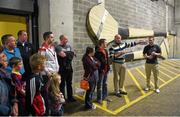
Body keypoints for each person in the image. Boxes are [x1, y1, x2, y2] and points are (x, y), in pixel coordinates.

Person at [55, 34, 76, 102]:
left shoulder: (69, 46)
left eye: (67, 39)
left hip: (69, 68)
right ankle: (63, 99)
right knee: (62, 84)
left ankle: (70, 97)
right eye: (65, 39)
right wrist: (70, 54)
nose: (67, 40)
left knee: (69, 83)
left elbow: (73, 55)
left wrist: (68, 54)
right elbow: (63, 55)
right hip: (62, 69)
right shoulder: (58, 47)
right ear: (61, 39)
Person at [0, 48, 18, 116]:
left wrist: (15, 103)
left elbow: (12, 91)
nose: (4, 56)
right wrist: (8, 111)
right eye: (1, 54)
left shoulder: (7, 74)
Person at [95, 39, 110, 104]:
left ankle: (104, 97)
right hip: (101, 71)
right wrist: (101, 70)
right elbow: (97, 63)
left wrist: (108, 68)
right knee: (100, 85)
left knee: (105, 84)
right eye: (106, 43)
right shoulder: (97, 52)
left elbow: (107, 60)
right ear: (102, 43)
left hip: (106, 70)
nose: (107, 44)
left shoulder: (105, 50)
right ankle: (99, 99)